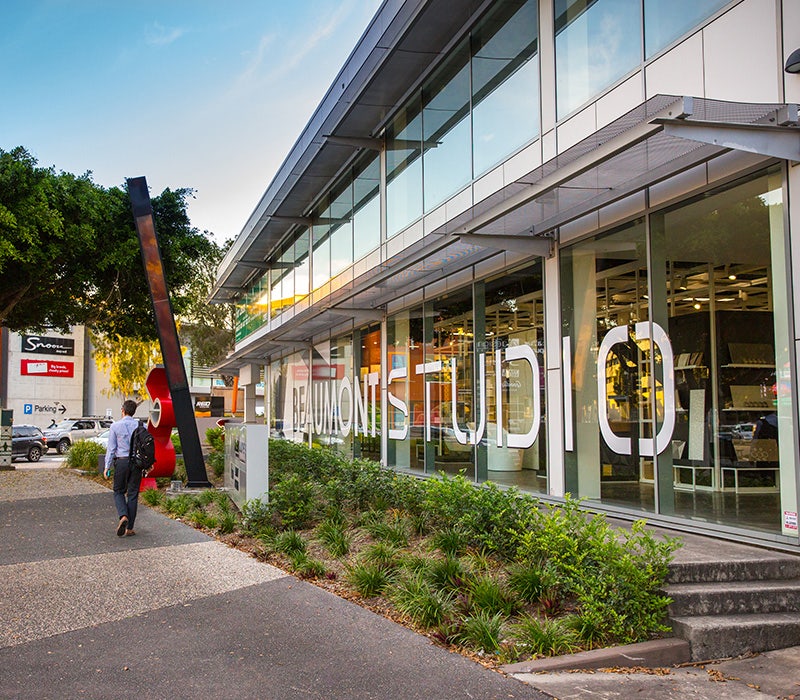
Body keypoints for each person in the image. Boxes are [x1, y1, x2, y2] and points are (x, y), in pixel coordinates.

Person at [104, 399, 142, 537]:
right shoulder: (140, 425)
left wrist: (106, 467)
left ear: (123, 410)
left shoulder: (115, 426)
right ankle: (130, 528)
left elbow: (111, 449)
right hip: (136, 463)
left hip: (121, 462)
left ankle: (123, 515)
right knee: (133, 494)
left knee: (118, 491)